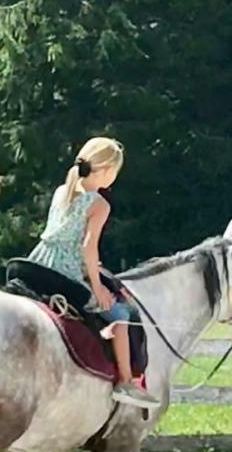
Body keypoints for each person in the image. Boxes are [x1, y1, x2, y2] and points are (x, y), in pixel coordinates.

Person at [28, 137, 159, 409]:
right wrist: (98, 287)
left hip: (39, 262)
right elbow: (88, 248)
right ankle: (125, 381)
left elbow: (66, 239)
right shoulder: (99, 203)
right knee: (122, 316)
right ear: (106, 170)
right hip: (65, 273)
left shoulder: (61, 191)